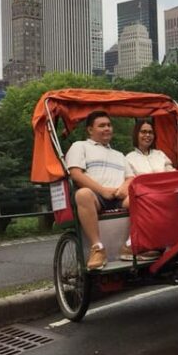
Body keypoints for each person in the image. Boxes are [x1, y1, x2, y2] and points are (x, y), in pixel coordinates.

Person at [65, 111, 132, 270]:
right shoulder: (80, 146)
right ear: (90, 130)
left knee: (143, 197)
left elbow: (130, 178)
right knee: (82, 194)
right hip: (96, 196)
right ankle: (97, 248)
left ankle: (131, 244)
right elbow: (75, 174)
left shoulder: (119, 155)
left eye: (109, 125)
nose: (107, 128)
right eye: (102, 125)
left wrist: (123, 188)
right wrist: (102, 191)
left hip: (118, 195)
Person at [119, 119, 176, 261]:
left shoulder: (159, 154)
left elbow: (171, 173)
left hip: (165, 192)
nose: (147, 135)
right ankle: (131, 243)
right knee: (148, 200)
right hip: (144, 195)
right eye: (143, 132)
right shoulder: (129, 158)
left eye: (150, 132)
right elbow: (130, 182)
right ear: (136, 135)